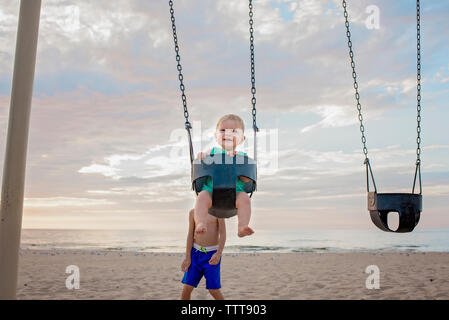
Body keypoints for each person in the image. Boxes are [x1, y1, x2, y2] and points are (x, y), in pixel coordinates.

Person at [194, 114, 254, 238]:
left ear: (242, 138)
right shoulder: (211, 152)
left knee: (245, 199)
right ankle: (200, 222)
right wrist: (201, 156)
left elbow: (247, 179)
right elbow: (202, 167)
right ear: (216, 136)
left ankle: (242, 226)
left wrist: (241, 163)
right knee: (202, 197)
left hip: (235, 194)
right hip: (211, 192)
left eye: (234, 131)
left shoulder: (242, 156)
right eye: (223, 130)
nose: (228, 134)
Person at [181, 209, 226, 300]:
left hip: (212, 255)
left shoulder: (218, 213)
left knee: (213, 290)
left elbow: (223, 233)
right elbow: (190, 234)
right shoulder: (193, 212)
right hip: (195, 254)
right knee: (187, 287)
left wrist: (218, 254)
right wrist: (187, 257)